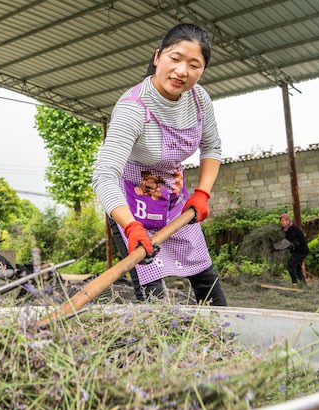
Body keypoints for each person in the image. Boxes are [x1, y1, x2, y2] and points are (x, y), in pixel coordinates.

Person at [92, 23, 227, 306]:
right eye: (175, 59)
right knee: (153, 296)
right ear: (157, 57)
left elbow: (212, 146)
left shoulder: (199, 99)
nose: (182, 71)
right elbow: (104, 177)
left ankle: (226, 341)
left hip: (175, 201)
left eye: (194, 64)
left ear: (202, 70)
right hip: (132, 206)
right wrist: (131, 228)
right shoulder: (132, 108)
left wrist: (202, 193)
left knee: (206, 281)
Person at [279, 212, 309, 287]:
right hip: (295, 251)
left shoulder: (293, 229)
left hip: (301, 251)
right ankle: (304, 285)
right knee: (297, 267)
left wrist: (276, 247)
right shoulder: (284, 229)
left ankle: (294, 283)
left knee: (290, 264)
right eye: (281, 221)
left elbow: (287, 242)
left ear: (288, 221)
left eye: (284, 220)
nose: (282, 222)